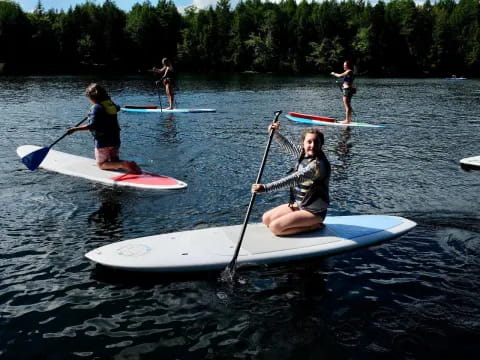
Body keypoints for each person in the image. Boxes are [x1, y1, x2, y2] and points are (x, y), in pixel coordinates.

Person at [252, 123, 331, 236]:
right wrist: (274, 133)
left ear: (321, 145)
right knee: (266, 219)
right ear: (303, 143)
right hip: (300, 206)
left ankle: (312, 227)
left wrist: (265, 188)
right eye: (309, 142)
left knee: (275, 228)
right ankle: (300, 220)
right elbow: (288, 146)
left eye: (316, 142)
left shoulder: (318, 165)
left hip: (314, 212)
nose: (312, 145)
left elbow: (293, 179)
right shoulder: (304, 154)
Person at [67, 83, 142, 174]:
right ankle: (125, 164)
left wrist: (75, 129)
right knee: (114, 159)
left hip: (103, 142)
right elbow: (117, 108)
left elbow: (92, 126)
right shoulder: (110, 105)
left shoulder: (96, 108)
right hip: (115, 139)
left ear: (92, 97)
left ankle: (124, 164)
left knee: (101, 164)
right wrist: (108, 101)